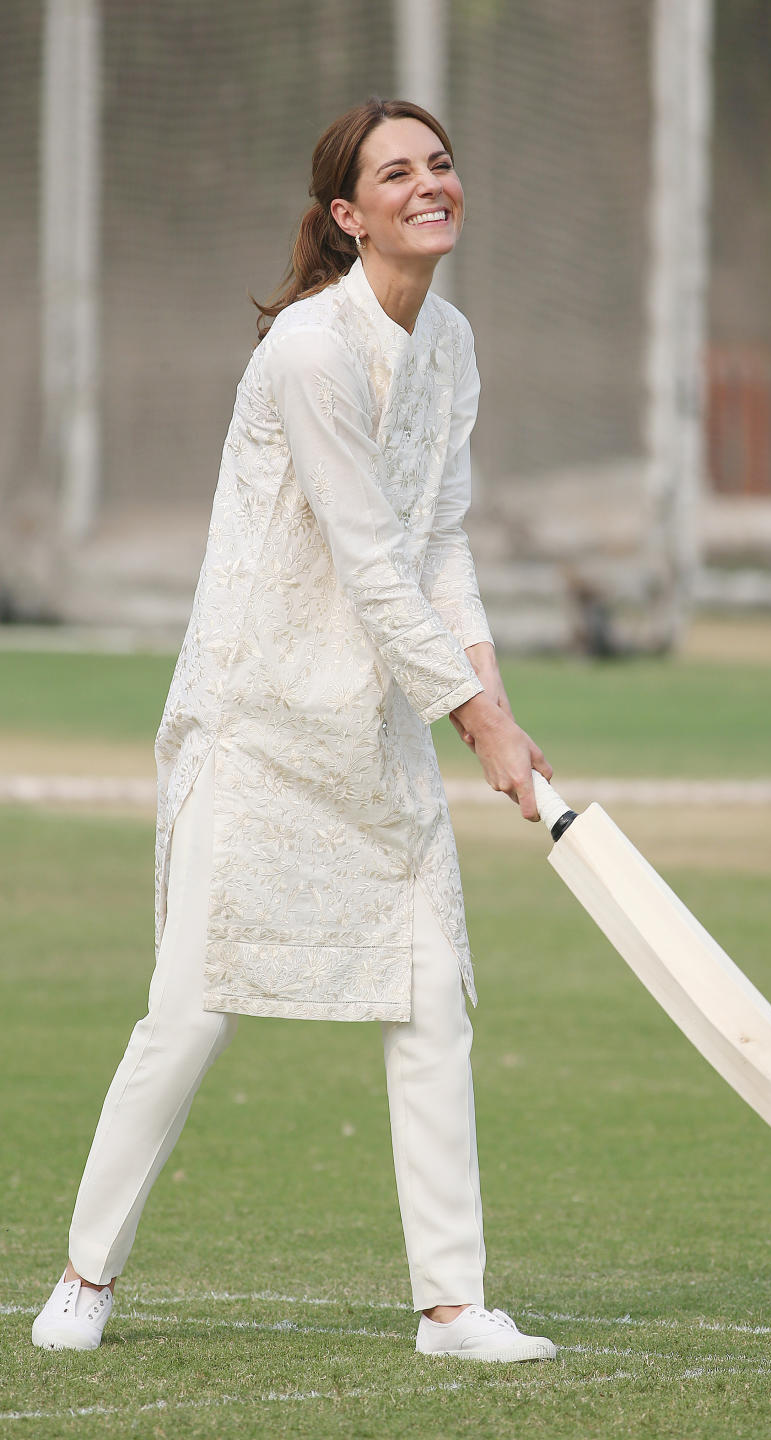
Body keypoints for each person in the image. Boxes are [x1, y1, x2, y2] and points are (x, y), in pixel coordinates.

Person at [32, 97, 557, 1364]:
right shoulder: (309, 354)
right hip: (256, 720)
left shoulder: (455, 343)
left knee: (432, 996)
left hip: (371, 729)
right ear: (347, 213)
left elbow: (439, 543)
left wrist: (497, 702)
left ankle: (451, 1307)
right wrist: (475, 719)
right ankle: (83, 1278)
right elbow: (370, 560)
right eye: (398, 173)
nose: (431, 184)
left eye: (441, 163)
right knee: (192, 1008)